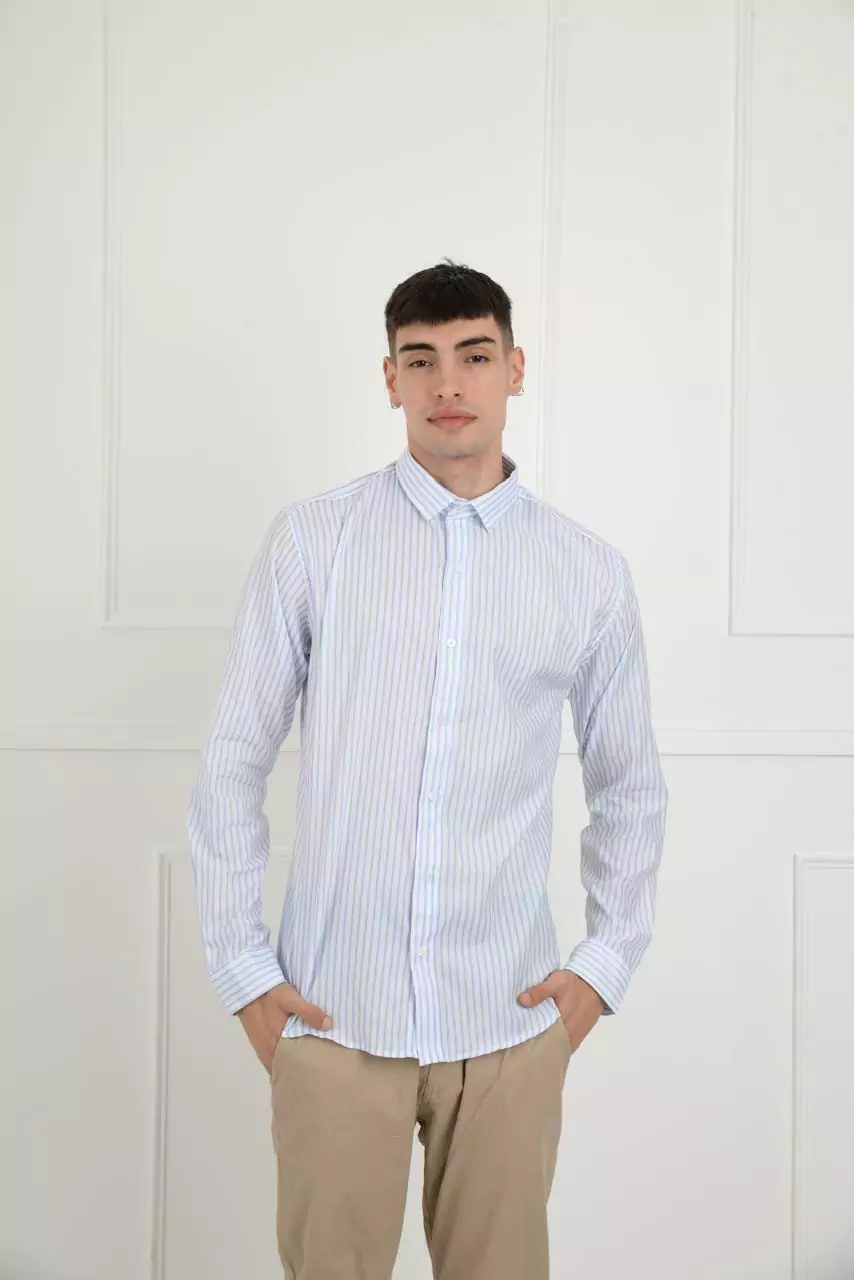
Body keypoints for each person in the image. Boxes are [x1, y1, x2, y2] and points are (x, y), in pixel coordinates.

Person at [186, 258, 669, 1279]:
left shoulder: (586, 571)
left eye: (474, 356)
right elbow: (233, 757)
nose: (448, 383)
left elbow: (628, 784)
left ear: (515, 369)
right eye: (421, 359)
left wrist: (603, 968)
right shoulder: (313, 542)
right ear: (390, 377)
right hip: (332, 1017)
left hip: (507, 1022)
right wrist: (244, 970)